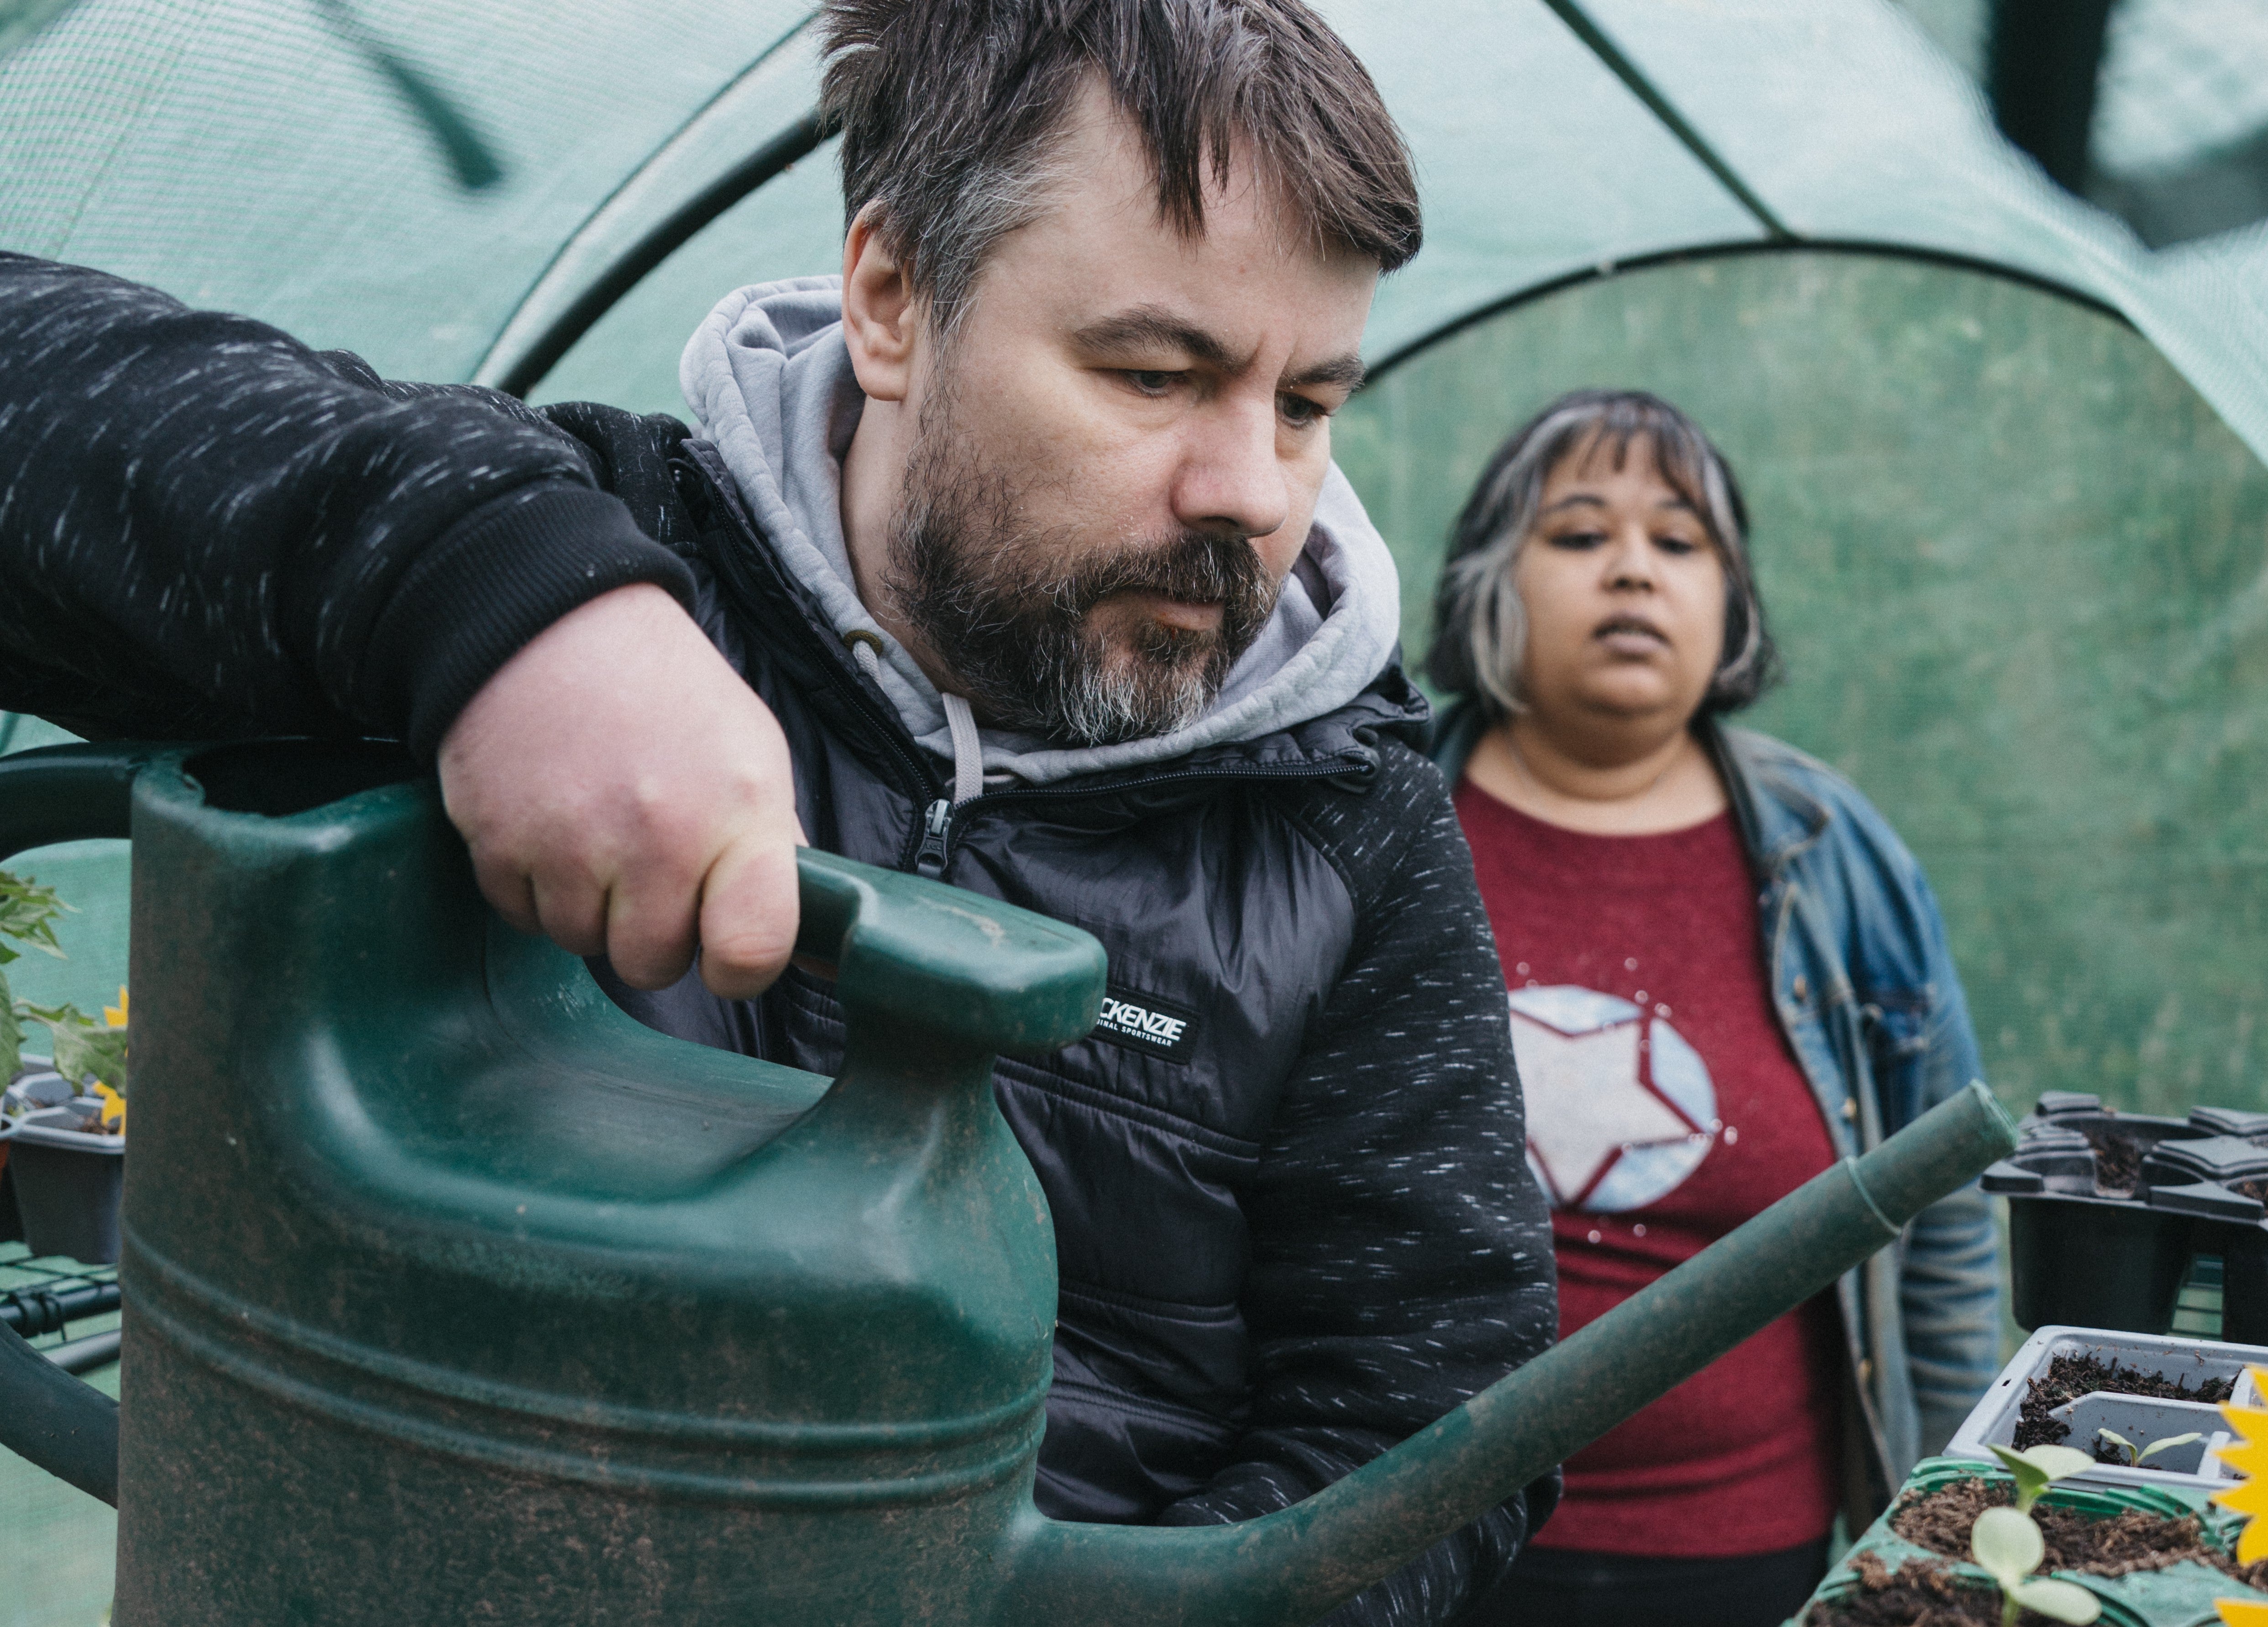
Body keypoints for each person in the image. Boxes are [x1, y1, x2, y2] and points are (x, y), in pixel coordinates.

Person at [0, 3, 1554, 1621]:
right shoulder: (576, 539)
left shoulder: (1350, 829)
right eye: (1155, 371)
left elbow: (1436, 1403)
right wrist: (484, 589)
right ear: (892, 298)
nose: (1250, 488)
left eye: (1306, 403)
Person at [1427, 391, 1999, 1627]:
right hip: (1403, 1543)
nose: (1633, 566)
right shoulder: (1377, 823)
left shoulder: (1838, 857)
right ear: (1488, 584)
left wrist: (1949, 1527)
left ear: (1733, 603)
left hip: (1749, 1561)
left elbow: (1942, 1222)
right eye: (1579, 535)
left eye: (1680, 543)